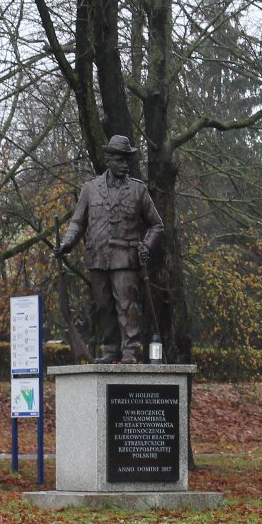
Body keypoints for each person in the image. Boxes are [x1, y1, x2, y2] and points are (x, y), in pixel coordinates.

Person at [54, 135, 164, 364]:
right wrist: (67, 243)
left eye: (127, 159)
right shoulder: (90, 189)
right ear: (109, 160)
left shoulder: (138, 190)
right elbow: (78, 222)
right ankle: (112, 349)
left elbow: (156, 224)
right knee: (104, 307)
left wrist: (146, 245)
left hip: (126, 257)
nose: (125, 164)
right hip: (98, 258)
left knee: (128, 306)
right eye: (120, 159)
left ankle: (130, 351)